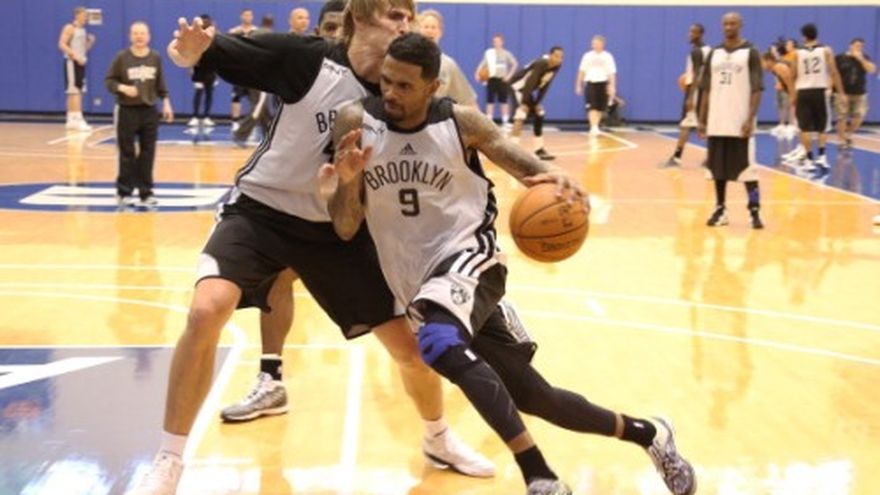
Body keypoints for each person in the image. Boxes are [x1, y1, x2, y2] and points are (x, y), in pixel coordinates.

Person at [124, 3, 493, 494]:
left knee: (412, 349)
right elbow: (216, 52)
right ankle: (169, 460)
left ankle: (438, 437)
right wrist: (186, 52)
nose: (405, 24)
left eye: (408, 15)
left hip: (338, 229)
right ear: (361, 16)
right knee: (207, 309)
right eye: (394, 15)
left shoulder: (401, 94)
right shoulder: (308, 60)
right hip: (262, 211)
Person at [326, 32, 697, 495]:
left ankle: (538, 474)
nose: (391, 93)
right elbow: (345, 227)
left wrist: (560, 183)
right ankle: (650, 433)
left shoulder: (461, 123)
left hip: (470, 258)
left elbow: (529, 170)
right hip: (417, 281)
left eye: (405, 86)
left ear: (433, 87)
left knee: (438, 345)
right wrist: (348, 181)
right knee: (536, 398)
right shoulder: (356, 123)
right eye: (386, 81)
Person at [698, 12, 764, 230]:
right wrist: (702, 118)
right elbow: (706, 88)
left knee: (749, 171)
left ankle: (754, 210)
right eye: (725, 24)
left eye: (733, 23)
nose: (729, 27)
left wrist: (750, 118)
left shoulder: (751, 52)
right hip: (717, 120)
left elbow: (757, 88)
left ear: (741, 25)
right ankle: (720, 209)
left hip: (740, 122)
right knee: (717, 170)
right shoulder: (714, 53)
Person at [104, 21, 174, 209]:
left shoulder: (155, 57)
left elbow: (161, 84)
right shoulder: (122, 57)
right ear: (130, 36)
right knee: (127, 153)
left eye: (142, 33)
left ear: (148, 36)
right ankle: (124, 192)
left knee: (148, 152)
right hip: (127, 110)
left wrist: (166, 102)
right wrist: (122, 88)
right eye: (135, 33)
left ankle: (146, 192)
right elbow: (109, 81)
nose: (139, 36)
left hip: (149, 111)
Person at [784, 23, 846, 171]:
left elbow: (792, 76)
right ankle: (822, 157)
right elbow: (834, 72)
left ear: (804, 36)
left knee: (804, 127)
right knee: (822, 127)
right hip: (820, 91)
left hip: (803, 92)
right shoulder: (826, 50)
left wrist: (792, 95)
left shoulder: (797, 53)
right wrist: (841, 93)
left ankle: (809, 160)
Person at [661, 24, 710, 168]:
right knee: (705, 125)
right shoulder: (709, 50)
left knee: (685, 125)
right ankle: (711, 158)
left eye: (693, 32)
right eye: (690, 31)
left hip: (696, 91)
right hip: (706, 91)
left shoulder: (696, 52)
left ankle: (677, 158)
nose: (690, 34)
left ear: (700, 34)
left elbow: (697, 75)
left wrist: (691, 97)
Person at [508, 47, 564, 161]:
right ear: (550, 55)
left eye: (561, 57)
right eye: (556, 56)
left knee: (540, 114)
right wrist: (524, 103)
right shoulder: (541, 63)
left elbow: (546, 85)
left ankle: (539, 150)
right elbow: (530, 82)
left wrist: (537, 102)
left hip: (526, 90)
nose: (559, 59)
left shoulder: (556, 67)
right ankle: (512, 150)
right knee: (521, 114)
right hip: (517, 87)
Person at [417, 9, 478, 107]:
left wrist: (478, 116)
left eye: (433, 27)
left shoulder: (448, 64)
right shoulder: (407, 59)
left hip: (434, 115)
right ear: (417, 30)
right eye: (426, 27)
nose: (429, 30)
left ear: (440, 32)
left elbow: (467, 101)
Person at [232, 14, 276, 145]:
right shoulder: (271, 36)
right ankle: (240, 134)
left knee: (263, 109)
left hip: (249, 75)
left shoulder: (253, 33)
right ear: (272, 24)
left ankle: (270, 136)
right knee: (258, 108)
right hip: (261, 78)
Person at [58, 6, 96, 131]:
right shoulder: (70, 28)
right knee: (74, 91)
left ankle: (71, 119)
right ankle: (77, 118)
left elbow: (83, 49)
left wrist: (90, 42)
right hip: (71, 62)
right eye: (84, 15)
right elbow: (62, 44)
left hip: (80, 62)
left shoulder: (83, 30)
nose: (86, 18)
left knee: (78, 91)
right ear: (77, 15)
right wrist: (75, 56)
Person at [835, 38, 876, 149]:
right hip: (843, 92)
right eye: (857, 45)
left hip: (859, 93)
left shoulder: (865, 57)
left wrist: (861, 59)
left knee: (859, 116)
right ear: (850, 45)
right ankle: (841, 140)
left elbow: (872, 70)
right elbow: (834, 74)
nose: (859, 48)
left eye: (861, 46)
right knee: (842, 117)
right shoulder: (840, 58)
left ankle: (848, 134)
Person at [575, 35, 616, 137]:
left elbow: (611, 72)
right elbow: (581, 70)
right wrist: (578, 85)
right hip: (591, 82)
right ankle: (593, 127)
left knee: (600, 107)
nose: (594, 45)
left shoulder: (608, 56)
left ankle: (596, 126)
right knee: (592, 106)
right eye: (593, 43)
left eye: (596, 43)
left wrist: (612, 86)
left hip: (603, 83)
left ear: (602, 44)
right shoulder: (587, 56)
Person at [475, 34, 518, 126]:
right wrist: (477, 73)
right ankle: (489, 121)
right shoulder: (489, 54)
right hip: (492, 79)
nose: (496, 43)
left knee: (504, 101)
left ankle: (505, 121)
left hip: (502, 80)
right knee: (490, 100)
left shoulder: (506, 54)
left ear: (502, 42)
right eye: (495, 41)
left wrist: (509, 76)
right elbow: (482, 64)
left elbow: (515, 64)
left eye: (498, 41)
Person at [228, 9, 257, 130]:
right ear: (241, 16)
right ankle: (235, 121)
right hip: (239, 70)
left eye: (249, 15)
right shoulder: (234, 31)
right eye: (245, 15)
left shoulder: (256, 32)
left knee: (254, 99)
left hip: (252, 71)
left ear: (252, 17)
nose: (247, 17)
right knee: (236, 96)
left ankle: (252, 123)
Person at [188, 14, 217, 127]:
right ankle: (195, 116)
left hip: (211, 69)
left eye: (206, 21)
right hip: (199, 70)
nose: (205, 23)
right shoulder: (195, 35)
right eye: (203, 21)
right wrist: (190, 67)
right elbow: (190, 52)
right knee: (198, 92)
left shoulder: (214, 36)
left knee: (209, 93)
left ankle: (206, 117)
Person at [762, 49, 795, 140]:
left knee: (791, 103)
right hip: (788, 87)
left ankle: (792, 126)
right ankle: (785, 126)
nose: (762, 65)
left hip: (799, 87)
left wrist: (793, 96)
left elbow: (790, 83)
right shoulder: (775, 69)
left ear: (769, 61)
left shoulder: (779, 67)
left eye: (763, 62)